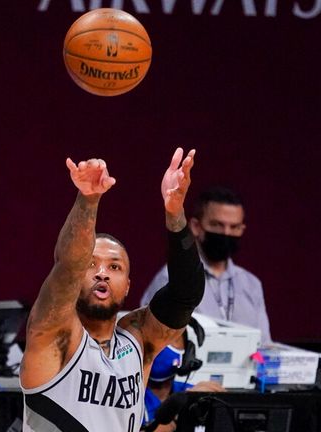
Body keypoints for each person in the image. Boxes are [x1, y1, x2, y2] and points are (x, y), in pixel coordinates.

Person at [20, 148, 205, 432]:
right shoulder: (55, 335)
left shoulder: (139, 339)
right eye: (91, 265)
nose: (103, 273)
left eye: (115, 267)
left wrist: (175, 214)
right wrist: (88, 199)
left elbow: (186, 294)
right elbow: (68, 265)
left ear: (128, 285)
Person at [140, 186, 271, 343]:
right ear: (196, 226)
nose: (226, 233)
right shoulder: (172, 277)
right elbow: (147, 337)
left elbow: (264, 345)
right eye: (217, 225)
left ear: (242, 229)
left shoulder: (251, 284)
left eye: (234, 227)